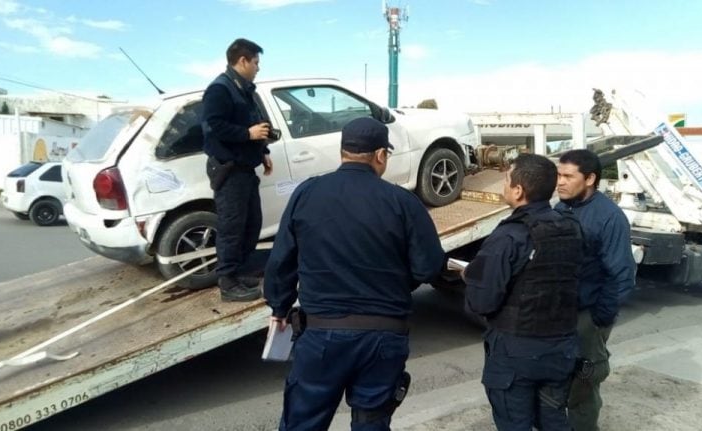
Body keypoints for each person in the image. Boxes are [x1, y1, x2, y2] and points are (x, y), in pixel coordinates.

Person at [264, 117, 446, 431]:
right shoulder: (403, 201)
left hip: (321, 335)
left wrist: (279, 307)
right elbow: (429, 267)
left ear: (342, 152)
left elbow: (281, 261)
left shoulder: (307, 194)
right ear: (380, 155)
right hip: (384, 336)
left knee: (302, 423)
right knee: (371, 423)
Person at [463, 153, 584, 431]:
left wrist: (470, 276)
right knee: (554, 422)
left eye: (506, 180)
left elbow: (482, 301)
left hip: (517, 354)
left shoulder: (508, 236)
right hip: (561, 349)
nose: (504, 186)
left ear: (518, 190)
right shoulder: (572, 228)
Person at [555, 149, 636, 431]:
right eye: (558, 175)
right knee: (556, 380)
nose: (560, 182)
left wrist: (599, 318)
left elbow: (622, 273)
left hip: (587, 314)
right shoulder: (560, 209)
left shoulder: (609, 217)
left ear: (590, 178)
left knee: (583, 384)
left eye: (568, 176)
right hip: (559, 314)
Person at [202, 38, 272, 301]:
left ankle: (240, 271)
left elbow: (255, 124)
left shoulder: (243, 89)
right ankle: (228, 284)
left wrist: (263, 151)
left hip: (245, 168)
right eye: (255, 62)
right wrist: (247, 134)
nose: (258, 67)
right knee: (232, 228)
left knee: (251, 224)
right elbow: (213, 127)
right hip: (229, 170)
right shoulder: (220, 89)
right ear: (242, 61)